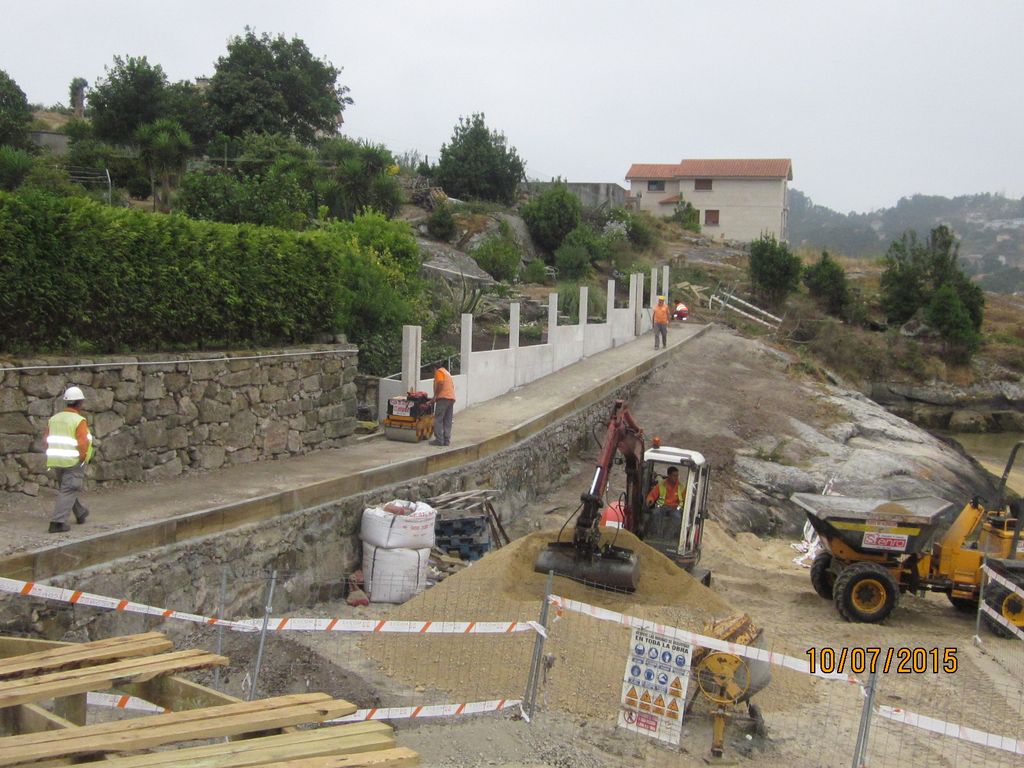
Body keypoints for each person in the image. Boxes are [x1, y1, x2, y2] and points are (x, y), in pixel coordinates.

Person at [43, 386, 94, 533]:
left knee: (67, 488)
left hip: (56, 460)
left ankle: (80, 512)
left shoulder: (54, 419)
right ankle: (57, 523)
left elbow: (46, 440)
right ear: (80, 403)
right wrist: (84, 458)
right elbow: (83, 443)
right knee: (69, 489)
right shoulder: (78, 420)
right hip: (73, 460)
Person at [644, 466, 683, 540]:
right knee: (655, 513)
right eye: (674, 476)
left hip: (675, 508)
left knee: (677, 517)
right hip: (662, 506)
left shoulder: (681, 487)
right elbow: (652, 495)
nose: (676, 478)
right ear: (669, 476)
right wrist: (650, 500)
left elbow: (685, 499)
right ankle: (656, 534)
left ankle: (668, 536)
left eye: (677, 475)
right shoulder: (661, 485)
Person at [427, 363, 456, 447]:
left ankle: (439, 440)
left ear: (435, 368)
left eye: (433, 371)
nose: (433, 373)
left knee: (438, 419)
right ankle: (446, 441)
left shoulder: (439, 372)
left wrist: (435, 396)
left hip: (443, 398)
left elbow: (440, 383)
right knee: (448, 420)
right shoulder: (447, 373)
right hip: (451, 398)